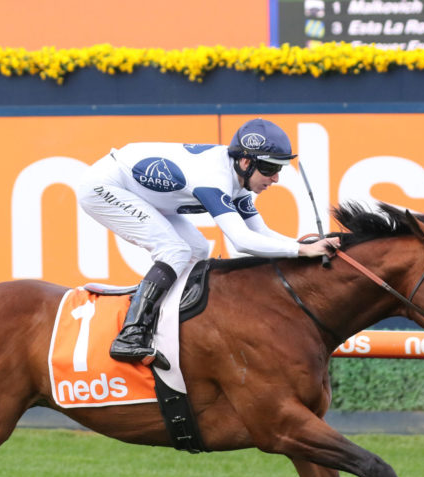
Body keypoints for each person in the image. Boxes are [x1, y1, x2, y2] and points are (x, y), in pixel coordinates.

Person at [77, 118, 340, 371]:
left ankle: (169, 325)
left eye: (279, 170)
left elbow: (260, 232)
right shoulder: (214, 178)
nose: (276, 179)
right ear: (246, 162)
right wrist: (302, 250)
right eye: (270, 169)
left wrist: (305, 246)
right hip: (105, 187)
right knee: (175, 250)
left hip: (140, 191)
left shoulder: (238, 179)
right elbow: (241, 241)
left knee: (198, 249)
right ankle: (130, 335)